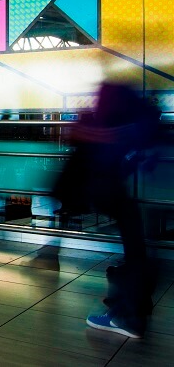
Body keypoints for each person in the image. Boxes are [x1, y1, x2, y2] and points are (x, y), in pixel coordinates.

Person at [82, 80, 161, 339]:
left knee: (135, 252)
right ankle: (129, 310)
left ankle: (126, 314)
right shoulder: (141, 127)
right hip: (137, 195)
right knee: (138, 250)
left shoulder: (122, 129)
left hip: (124, 194)